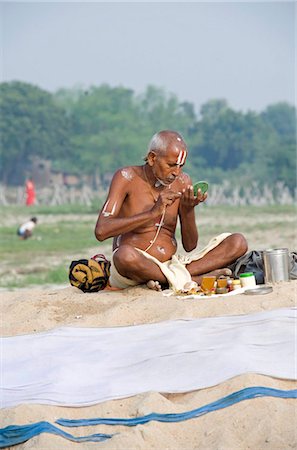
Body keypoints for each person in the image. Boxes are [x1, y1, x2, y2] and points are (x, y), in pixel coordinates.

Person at [95, 130, 248, 291]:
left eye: (181, 166)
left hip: (172, 264)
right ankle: (190, 279)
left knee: (238, 242)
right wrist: (152, 213)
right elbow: (101, 231)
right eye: (171, 165)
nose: (176, 172)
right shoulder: (126, 177)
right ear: (152, 158)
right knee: (124, 256)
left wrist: (188, 210)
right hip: (135, 266)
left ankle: (167, 279)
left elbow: (190, 246)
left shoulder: (182, 182)